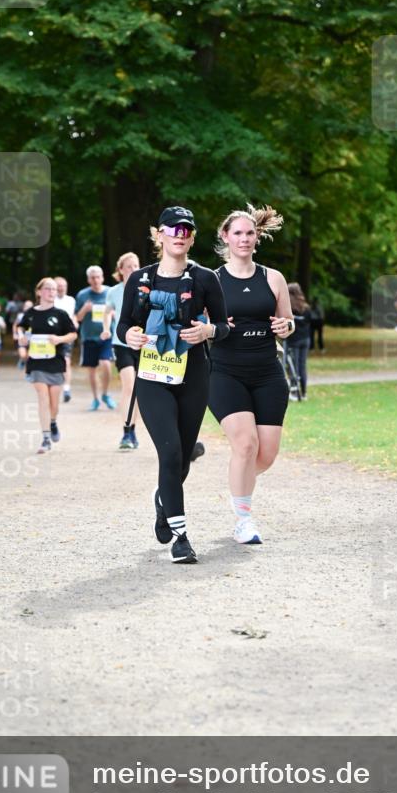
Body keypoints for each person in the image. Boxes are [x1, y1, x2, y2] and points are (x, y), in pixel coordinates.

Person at [116, 206, 230, 564]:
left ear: (192, 237)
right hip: (151, 377)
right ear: (159, 235)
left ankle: (163, 500)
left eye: (187, 230)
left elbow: (225, 327)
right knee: (170, 453)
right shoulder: (140, 280)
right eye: (173, 229)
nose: (180, 234)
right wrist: (131, 335)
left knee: (179, 460)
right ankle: (181, 538)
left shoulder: (205, 279)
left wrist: (208, 331)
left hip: (194, 376)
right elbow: (123, 326)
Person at [209, 204, 294, 545]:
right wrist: (214, 327)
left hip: (267, 372)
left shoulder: (273, 278)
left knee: (265, 455)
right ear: (225, 237)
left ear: (257, 238)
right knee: (245, 444)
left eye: (249, 233)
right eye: (237, 233)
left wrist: (285, 326)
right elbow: (197, 325)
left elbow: (287, 322)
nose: (244, 239)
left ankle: (237, 480)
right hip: (225, 371)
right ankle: (243, 519)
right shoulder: (211, 280)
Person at [19, 277, 77, 454]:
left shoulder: (61, 314)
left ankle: (52, 422)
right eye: (48, 289)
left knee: (54, 403)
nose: (52, 292)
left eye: (54, 289)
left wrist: (59, 339)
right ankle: (45, 438)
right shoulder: (30, 313)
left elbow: (73, 334)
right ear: (39, 292)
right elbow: (20, 328)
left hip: (55, 361)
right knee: (42, 396)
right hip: (36, 362)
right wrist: (22, 338)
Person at [103, 252, 141, 450]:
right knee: (129, 386)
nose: (133, 269)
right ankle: (127, 432)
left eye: (136, 266)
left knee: (141, 391)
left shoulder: (146, 288)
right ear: (121, 270)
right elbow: (108, 313)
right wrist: (105, 328)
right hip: (122, 343)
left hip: (144, 344)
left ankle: (135, 431)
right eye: (129, 266)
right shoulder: (114, 292)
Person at [74, 265, 117, 411]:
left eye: (98, 276)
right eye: (92, 277)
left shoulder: (110, 292)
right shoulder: (82, 295)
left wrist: (112, 315)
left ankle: (105, 394)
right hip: (89, 337)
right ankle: (95, 399)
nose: (96, 280)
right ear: (88, 279)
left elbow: (117, 314)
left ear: (102, 277)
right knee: (91, 370)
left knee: (106, 364)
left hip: (106, 335)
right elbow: (77, 318)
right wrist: (85, 309)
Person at [53, 276, 77, 402]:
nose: (61, 288)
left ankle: (66, 389)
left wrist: (74, 323)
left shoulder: (71, 300)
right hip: (51, 336)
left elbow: (73, 315)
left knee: (66, 361)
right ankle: (53, 387)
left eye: (63, 285)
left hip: (66, 335)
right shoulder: (50, 300)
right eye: (59, 285)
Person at [287, 282, 312, 400]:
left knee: (293, 366)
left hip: (294, 340)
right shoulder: (306, 308)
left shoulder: (289, 308)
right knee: (302, 366)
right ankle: (304, 392)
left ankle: (294, 391)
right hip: (305, 339)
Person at [13, 300, 33, 369]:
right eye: (26, 306)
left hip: (31, 338)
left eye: (30, 306)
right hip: (21, 338)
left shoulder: (35, 316)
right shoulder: (20, 316)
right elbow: (15, 325)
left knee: (29, 356)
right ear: (24, 307)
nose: (28, 308)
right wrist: (15, 334)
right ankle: (22, 360)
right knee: (22, 355)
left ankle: (27, 367)